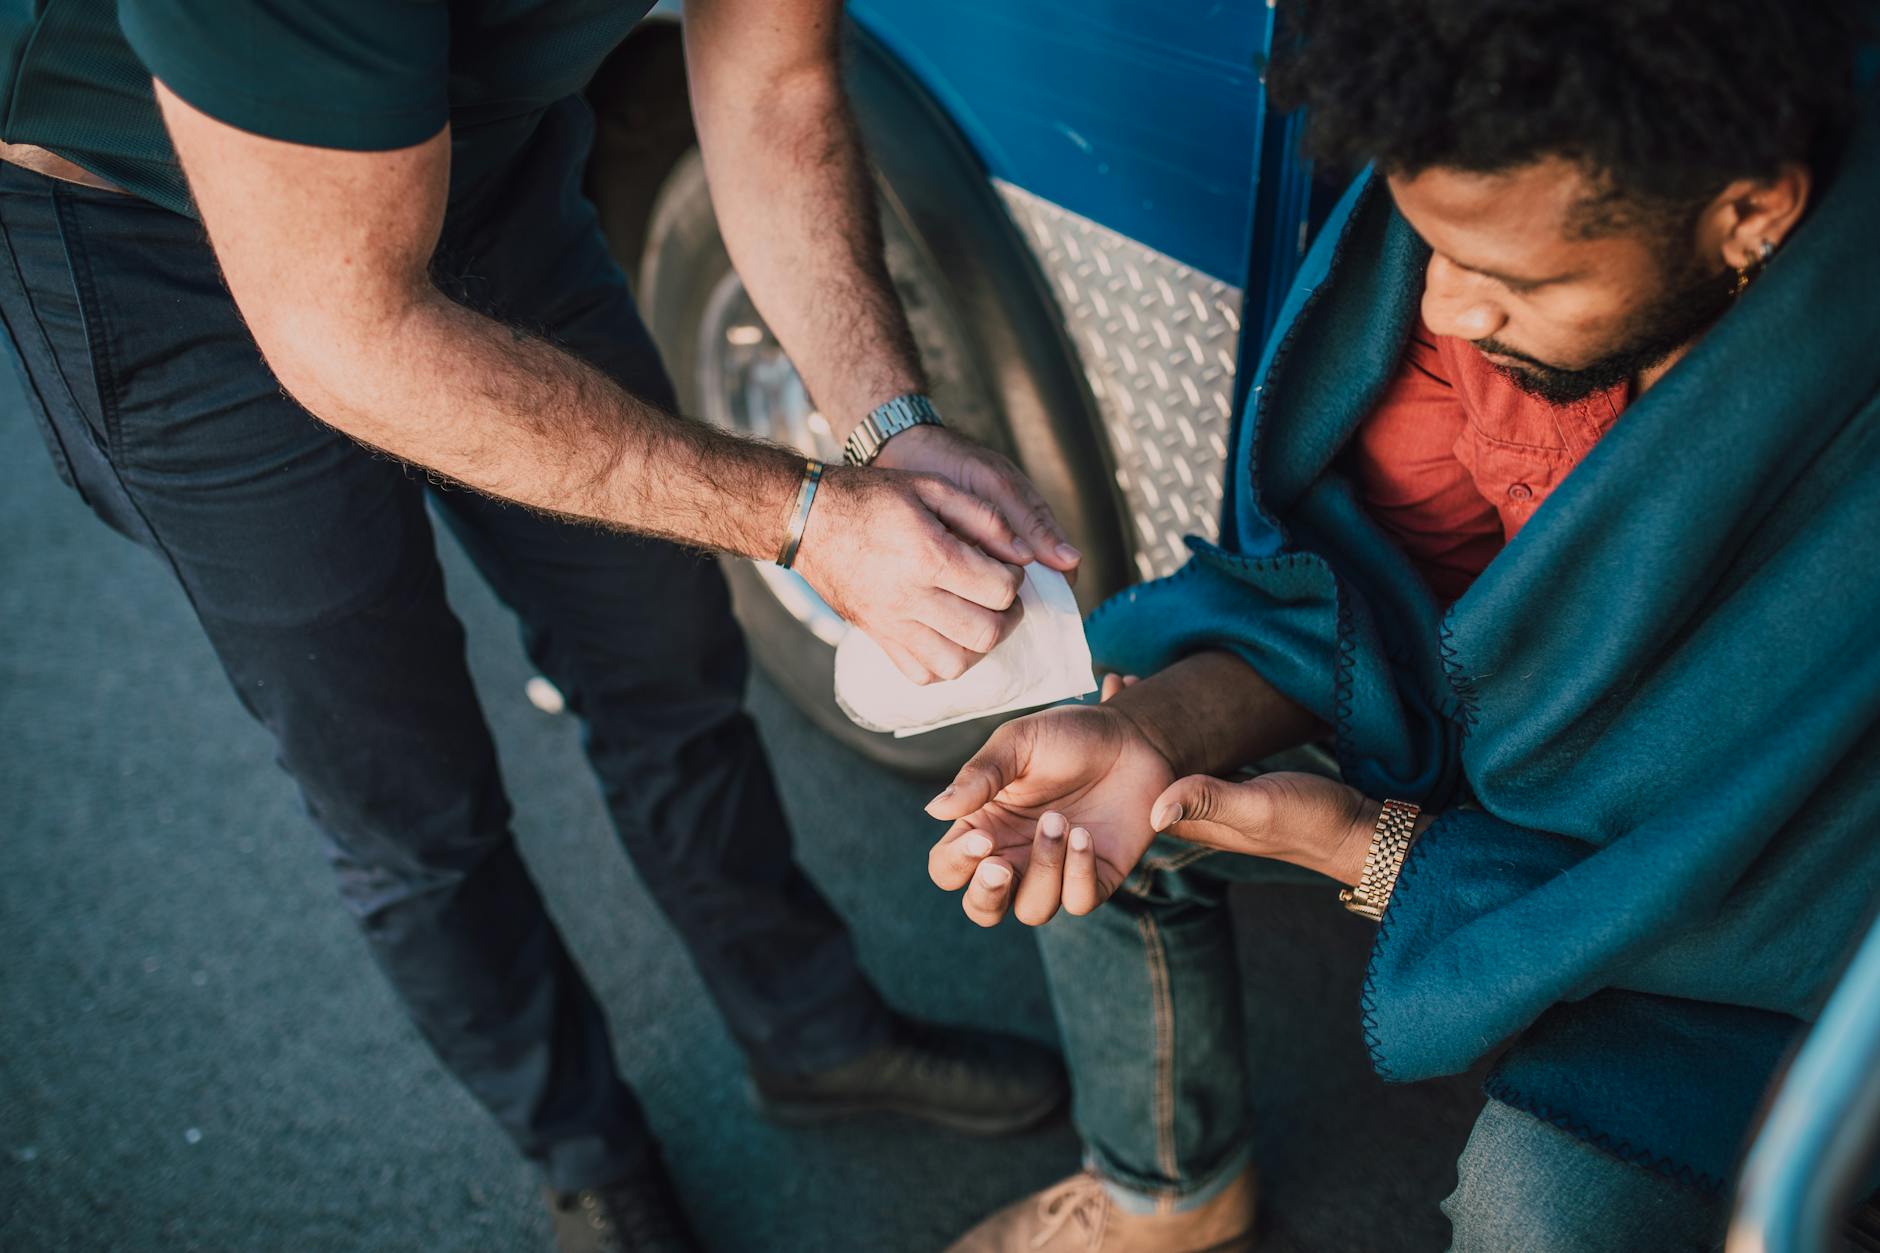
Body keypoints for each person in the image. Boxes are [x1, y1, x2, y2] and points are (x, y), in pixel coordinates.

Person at [0, 1, 1082, 1249]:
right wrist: (805, 518)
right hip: (168, 246)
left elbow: (776, 86)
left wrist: (885, 431)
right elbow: (349, 333)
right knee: (402, 787)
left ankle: (809, 1027)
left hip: (484, 160)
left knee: (663, 646)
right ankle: (584, 1146)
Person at [926, 2, 1880, 1250]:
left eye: (1510, 279)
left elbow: (1814, 890)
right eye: (1427, 245)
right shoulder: (1479, 279)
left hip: (1753, 942)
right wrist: (1156, 726)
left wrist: (1386, 855)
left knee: (1533, 1211)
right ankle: (1166, 1191)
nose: (1441, 313)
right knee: (1090, 794)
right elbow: (1382, 593)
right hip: (1514, 806)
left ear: (1748, 214)